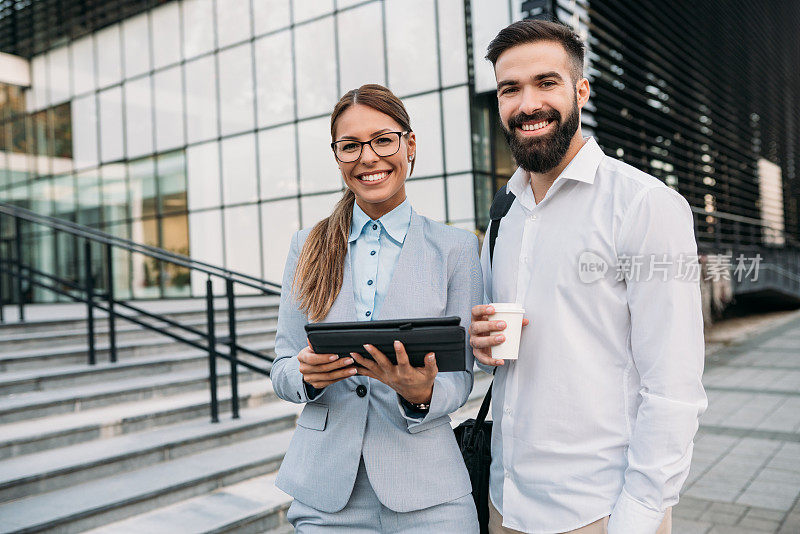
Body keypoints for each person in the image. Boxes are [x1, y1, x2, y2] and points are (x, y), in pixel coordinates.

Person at [468, 20, 707, 534]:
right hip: (505, 503)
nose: (527, 103)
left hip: (598, 510)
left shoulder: (646, 206)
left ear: (580, 91)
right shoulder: (502, 215)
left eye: (546, 83)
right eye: (510, 89)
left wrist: (638, 517)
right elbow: (512, 353)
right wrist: (482, 344)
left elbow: (675, 386)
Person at [270, 83, 481, 533]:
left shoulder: (457, 248)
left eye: (383, 140)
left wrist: (422, 393)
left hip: (430, 494)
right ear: (337, 156)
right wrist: (305, 376)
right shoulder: (305, 246)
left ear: (409, 145)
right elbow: (282, 366)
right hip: (327, 499)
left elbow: (460, 375)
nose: (368, 157)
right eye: (350, 146)